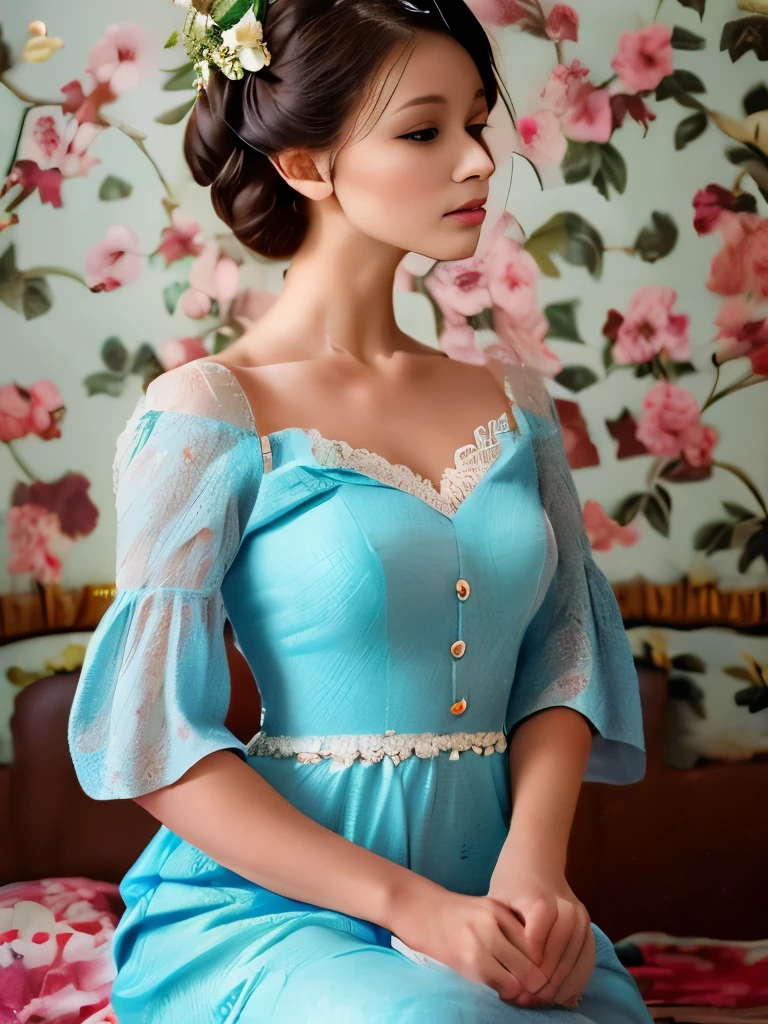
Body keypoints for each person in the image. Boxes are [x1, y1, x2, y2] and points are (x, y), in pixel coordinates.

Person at [67, 1, 651, 1020]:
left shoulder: (517, 405)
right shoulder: (210, 413)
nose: (477, 161)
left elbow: (564, 644)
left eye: (477, 121)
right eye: (425, 131)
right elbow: (155, 737)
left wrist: (536, 868)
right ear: (305, 163)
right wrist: (412, 909)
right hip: (268, 914)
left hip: (500, 905)